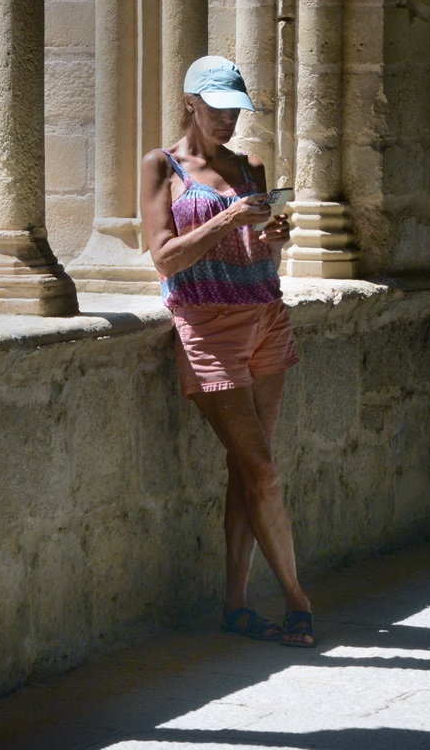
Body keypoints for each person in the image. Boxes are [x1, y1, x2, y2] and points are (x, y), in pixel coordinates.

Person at [140, 56, 313, 648]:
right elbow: (164, 257)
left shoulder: (250, 165)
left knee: (248, 469)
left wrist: (271, 239)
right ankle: (297, 598)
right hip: (206, 326)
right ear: (190, 103)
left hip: (265, 316)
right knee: (263, 469)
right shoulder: (162, 167)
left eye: (236, 109)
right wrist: (231, 216)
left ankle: (236, 605)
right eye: (218, 109)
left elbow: (258, 251)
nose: (229, 121)